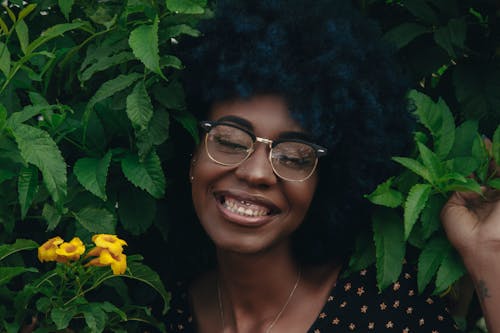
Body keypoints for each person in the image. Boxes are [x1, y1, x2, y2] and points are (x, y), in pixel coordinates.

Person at [164, 1, 500, 332]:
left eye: (294, 157)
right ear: (192, 150)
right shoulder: (155, 308)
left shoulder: (388, 314)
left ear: (326, 180)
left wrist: (485, 252)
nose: (256, 173)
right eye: (231, 142)